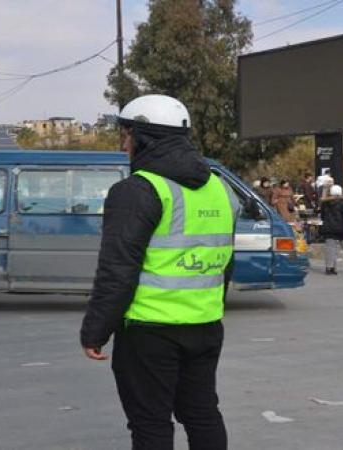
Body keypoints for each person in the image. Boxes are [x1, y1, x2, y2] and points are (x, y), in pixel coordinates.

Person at [80, 94, 235, 449]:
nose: (125, 144)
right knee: (202, 414)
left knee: (151, 423)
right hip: (206, 325)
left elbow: (117, 269)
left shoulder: (137, 190)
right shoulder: (219, 187)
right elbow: (225, 260)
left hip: (149, 330)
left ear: (144, 138)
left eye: (127, 135)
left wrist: (95, 331)